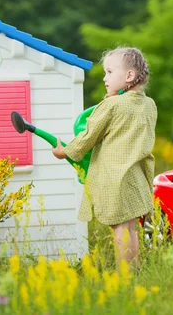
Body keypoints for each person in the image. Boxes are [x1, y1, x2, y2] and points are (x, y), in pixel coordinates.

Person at [51, 47, 157, 268]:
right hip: (135, 176)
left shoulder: (111, 105)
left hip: (114, 178)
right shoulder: (149, 105)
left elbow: (88, 135)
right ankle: (133, 271)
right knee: (130, 227)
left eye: (109, 72)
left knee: (118, 227)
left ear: (129, 76)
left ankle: (123, 274)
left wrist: (65, 151)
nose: (104, 78)